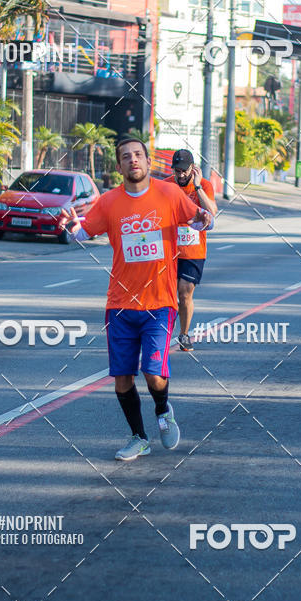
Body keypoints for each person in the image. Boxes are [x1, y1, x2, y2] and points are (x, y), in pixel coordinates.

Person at [59, 137, 213, 462]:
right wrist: (70, 228)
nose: (133, 160)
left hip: (160, 303)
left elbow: (201, 218)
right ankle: (138, 437)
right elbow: (82, 233)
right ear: (119, 166)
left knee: (153, 374)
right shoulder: (109, 202)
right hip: (119, 305)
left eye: (138, 155)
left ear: (147, 160)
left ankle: (162, 409)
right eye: (126, 157)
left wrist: (205, 219)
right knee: (122, 379)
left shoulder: (169, 194)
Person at [165, 149, 217, 351]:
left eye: (183, 170)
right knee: (167, 294)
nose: (180, 175)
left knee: (184, 293)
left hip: (194, 251)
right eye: (176, 170)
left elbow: (212, 212)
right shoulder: (167, 185)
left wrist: (197, 186)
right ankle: (163, 333)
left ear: (192, 169)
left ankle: (184, 334)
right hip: (169, 249)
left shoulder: (204, 185)